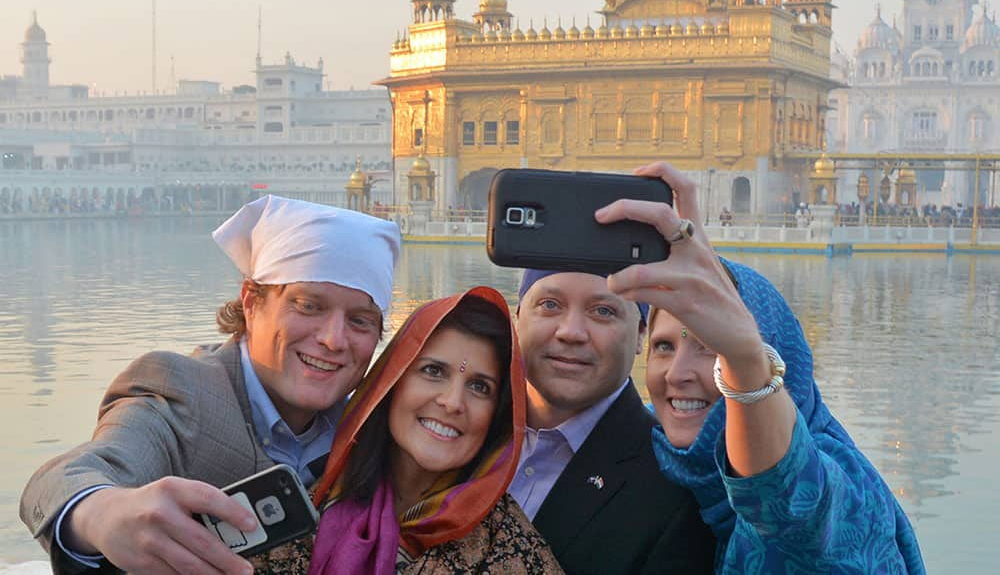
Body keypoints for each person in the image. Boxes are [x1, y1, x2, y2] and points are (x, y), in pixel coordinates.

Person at [20, 195, 401, 574]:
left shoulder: (368, 426)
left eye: (359, 321)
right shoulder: (182, 390)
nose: (334, 339)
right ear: (252, 302)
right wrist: (100, 513)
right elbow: (69, 475)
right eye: (309, 306)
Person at [594, 161, 924, 573]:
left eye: (709, 346)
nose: (677, 373)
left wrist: (744, 359)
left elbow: (788, 500)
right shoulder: (644, 457)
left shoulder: (843, 494)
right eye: (663, 346)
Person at [253, 287, 561, 573]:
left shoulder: (510, 549)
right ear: (390, 384)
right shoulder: (306, 506)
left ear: (497, 417)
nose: (453, 402)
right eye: (433, 371)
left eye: (480, 387)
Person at [511, 268, 716, 574]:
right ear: (517, 318)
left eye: (603, 311)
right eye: (550, 305)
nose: (571, 332)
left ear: (640, 335)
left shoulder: (675, 491)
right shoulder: (454, 429)